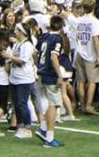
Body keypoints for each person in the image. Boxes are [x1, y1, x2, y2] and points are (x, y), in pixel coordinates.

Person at [36, 15, 66, 147]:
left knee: (51, 103)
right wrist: (59, 75)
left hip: (41, 71)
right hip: (50, 73)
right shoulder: (57, 38)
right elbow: (54, 56)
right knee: (54, 103)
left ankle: (43, 128)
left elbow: (35, 53)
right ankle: (49, 137)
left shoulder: (44, 36)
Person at [8, 23, 36, 139]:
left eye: (17, 30)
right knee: (16, 104)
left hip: (24, 78)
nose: (15, 32)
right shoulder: (17, 44)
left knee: (22, 103)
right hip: (15, 77)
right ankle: (20, 126)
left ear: (22, 32)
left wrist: (9, 57)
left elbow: (22, 61)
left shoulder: (27, 45)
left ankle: (27, 127)